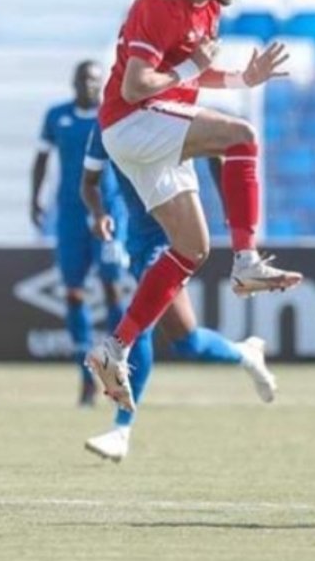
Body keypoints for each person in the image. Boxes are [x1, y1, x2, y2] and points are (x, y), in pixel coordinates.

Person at [86, 0, 301, 412]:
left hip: (153, 129)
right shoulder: (164, 0)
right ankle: (246, 261)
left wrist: (243, 78)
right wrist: (192, 68)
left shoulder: (208, 12)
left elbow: (189, 77)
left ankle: (113, 347)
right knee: (241, 136)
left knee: (192, 248)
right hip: (134, 121)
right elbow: (136, 86)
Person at [79, 128, 277, 462]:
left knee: (138, 325)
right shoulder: (107, 123)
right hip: (138, 242)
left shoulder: (166, 115)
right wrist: (99, 214)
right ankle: (246, 354)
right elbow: (88, 182)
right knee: (188, 341)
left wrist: (233, 215)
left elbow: (217, 149)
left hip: (172, 237)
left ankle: (121, 430)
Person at [30, 60, 128, 405]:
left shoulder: (114, 114)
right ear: (73, 82)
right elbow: (41, 159)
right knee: (73, 292)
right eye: (84, 78)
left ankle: (116, 367)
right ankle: (87, 373)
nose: (89, 84)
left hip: (110, 212)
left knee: (112, 288)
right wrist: (35, 200)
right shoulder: (57, 116)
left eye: (95, 79)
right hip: (70, 214)